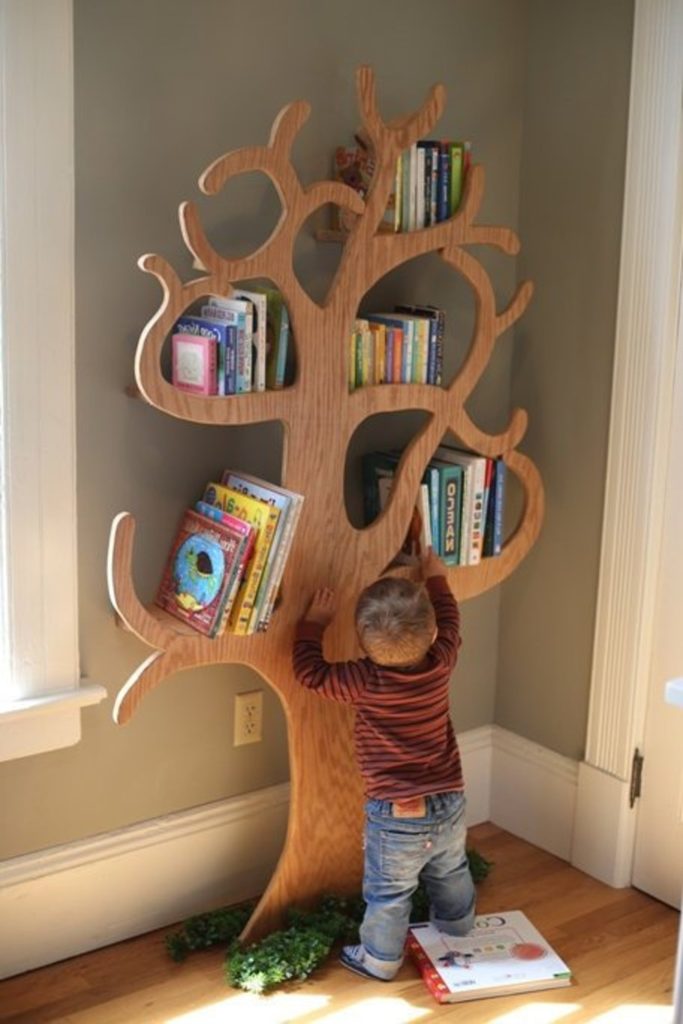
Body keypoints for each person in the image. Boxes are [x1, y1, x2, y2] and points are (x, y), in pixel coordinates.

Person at [292, 548, 475, 981]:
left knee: (389, 892)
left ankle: (379, 959)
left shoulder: (363, 679)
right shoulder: (442, 660)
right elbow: (451, 620)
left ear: (362, 646)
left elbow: (310, 673)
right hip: (448, 800)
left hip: (395, 814)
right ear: (431, 636)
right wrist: (436, 578)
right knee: (452, 869)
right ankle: (460, 929)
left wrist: (314, 623)